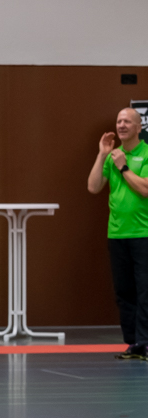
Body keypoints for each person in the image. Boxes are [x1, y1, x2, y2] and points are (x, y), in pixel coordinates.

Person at [88, 107, 148, 360]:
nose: (121, 125)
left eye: (127, 121)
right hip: (117, 233)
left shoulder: (145, 153)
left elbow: (145, 189)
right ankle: (133, 343)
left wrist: (124, 168)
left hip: (143, 233)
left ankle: (146, 342)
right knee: (124, 291)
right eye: (118, 121)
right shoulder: (113, 155)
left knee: (145, 290)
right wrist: (102, 156)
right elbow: (93, 187)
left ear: (138, 127)